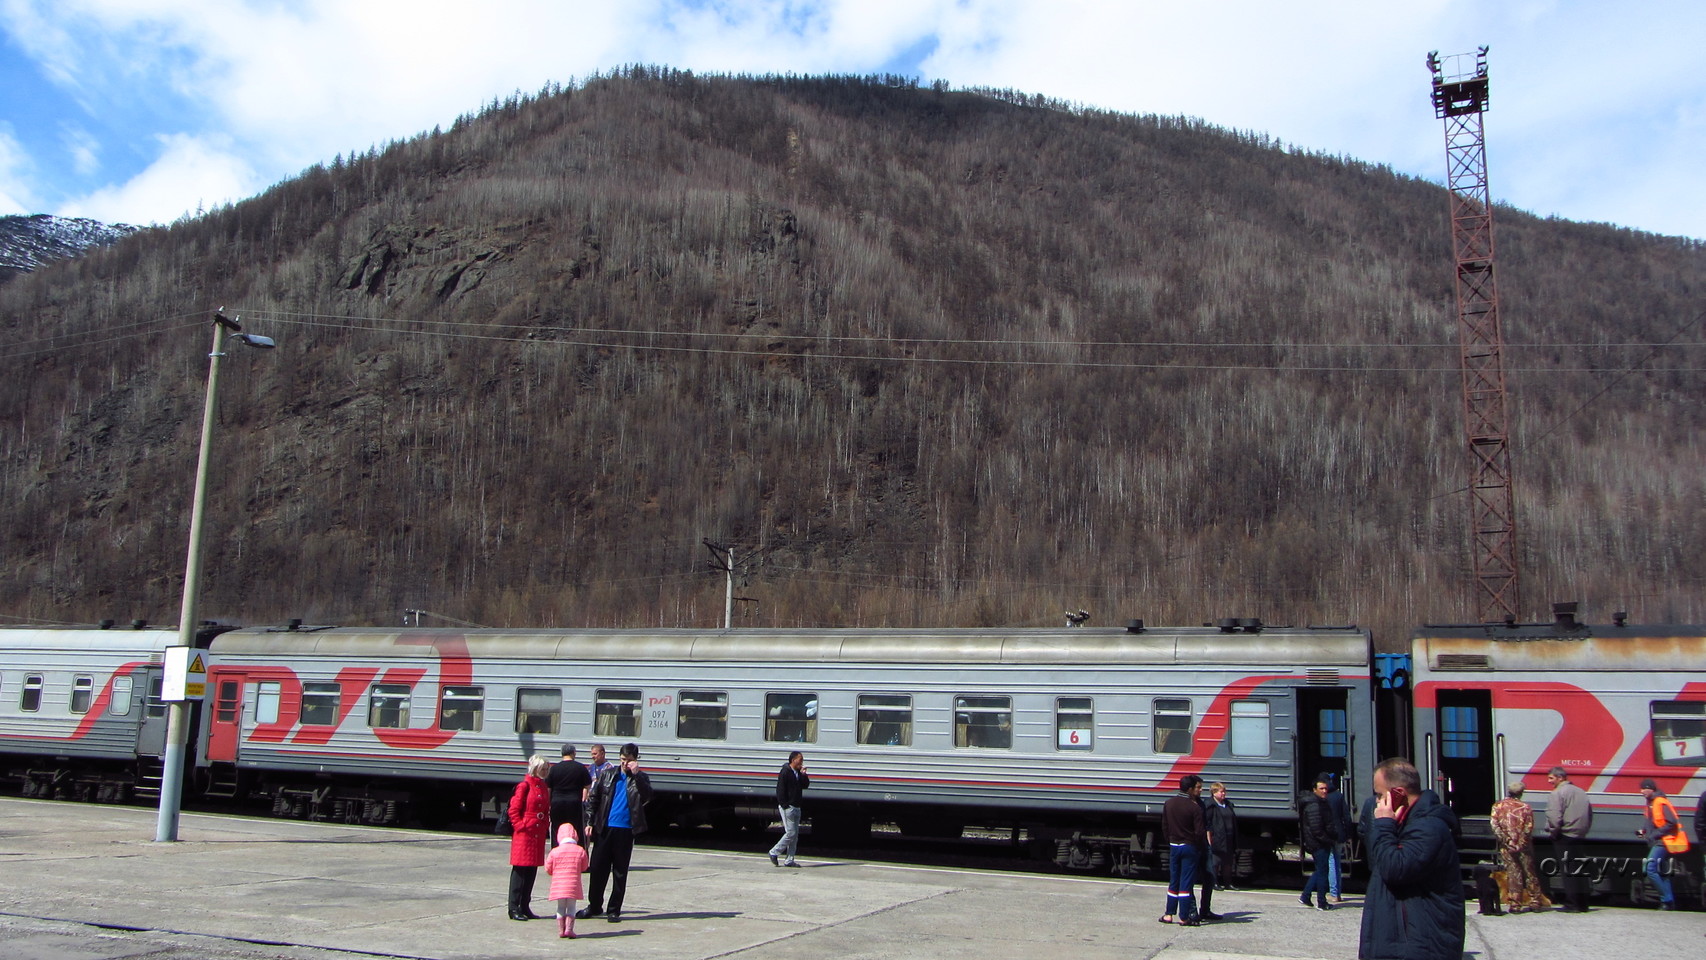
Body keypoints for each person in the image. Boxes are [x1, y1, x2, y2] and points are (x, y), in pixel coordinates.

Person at [1359, 757, 1464, 960]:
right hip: (1406, 942)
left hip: (1418, 946)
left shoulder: (1428, 828)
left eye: (1380, 795)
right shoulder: (1407, 825)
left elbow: (1394, 869)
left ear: (1398, 794)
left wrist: (1384, 825)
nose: (1377, 802)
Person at [577, 742, 654, 924]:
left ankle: (614, 910)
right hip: (605, 828)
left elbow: (648, 796)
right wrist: (589, 821)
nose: (625, 764)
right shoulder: (608, 775)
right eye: (622, 760)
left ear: (636, 760)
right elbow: (594, 799)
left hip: (626, 830)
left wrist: (637, 776)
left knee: (620, 872)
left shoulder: (640, 778)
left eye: (629, 760)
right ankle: (594, 906)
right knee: (597, 869)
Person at [1490, 781, 1551, 913]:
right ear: (1521, 793)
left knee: (1513, 873)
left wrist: (1507, 841)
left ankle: (1515, 904)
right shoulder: (1525, 807)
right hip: (1524, 847)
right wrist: (1521, 843)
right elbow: (1528, 828)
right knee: (1529, 872)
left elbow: (1495, 826)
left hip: (1507, 846)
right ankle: (1535, 901)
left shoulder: (1497, 806)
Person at [505, 755, 551, 921]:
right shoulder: (524, 786)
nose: (546, 771)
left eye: (547, 769)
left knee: (531, 871)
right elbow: (513, 810)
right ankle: (513, 907)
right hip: (524, 834)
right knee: (520, 871)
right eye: (543, 769)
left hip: (537, 834)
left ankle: (525, 906)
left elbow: (546, 809)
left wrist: (545, 823)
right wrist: (521, 826)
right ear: (535, 768)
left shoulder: (543, 786)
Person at [1544, 766, 1593, 912]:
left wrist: (1553, 832)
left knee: (1568, 871)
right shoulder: (1581, 792)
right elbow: (1589, 814)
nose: (1549, 781)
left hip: (1564, 835)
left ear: (1560, 778)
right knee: (1579, 869)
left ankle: (1572, 904)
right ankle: (1583, 903)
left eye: (1551, 778)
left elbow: (1554, 817)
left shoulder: (1557, 793)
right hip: (1579, 835)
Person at [1159, 774, 1205, 926]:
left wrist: (1170, 840)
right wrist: (1198, 846)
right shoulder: (1194, 807)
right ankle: (1184, 917)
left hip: (1174, 845)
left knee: (1174, 880)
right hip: (1189, 846)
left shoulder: (1169, 803)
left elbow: (1165, 826)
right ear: (1190, 789)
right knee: (1185, 883)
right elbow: (1199, 832)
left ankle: (1168, 914)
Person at [1637, 778, 1690, 910]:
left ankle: (1666, 899)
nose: (1641, 791)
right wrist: (1643, 832)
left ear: (1651, 789)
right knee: (1662, 872)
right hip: (1659, 840)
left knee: (1649, 869)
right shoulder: (1651, 803)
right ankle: (1669, 902)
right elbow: (1651, 822)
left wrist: (1655, 834)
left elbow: (1671, 822)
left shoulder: (1660, 802)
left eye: (1644, 788)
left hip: (1663, 841)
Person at [1198, 781, 1238, 920]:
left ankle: (1228, 882)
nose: (1224, 794)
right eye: (1221, 792)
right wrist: (1209, 840)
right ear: (1214, 793)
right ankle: (1215, 882)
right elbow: (1207, 824)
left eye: (1224, 791)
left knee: (1228, 860)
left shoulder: (1228, 804)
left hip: (1228, 836)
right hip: (1217, 836)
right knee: (1216, 861)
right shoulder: (1210, 805)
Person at [544, 822, 589, 938]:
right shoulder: (580, 850)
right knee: (571, 907)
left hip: (558, 885)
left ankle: (561, 930)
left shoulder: (555, 851)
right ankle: (569, 929)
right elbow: (584, 867)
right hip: (573, 885)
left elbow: (548, 868)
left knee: (560, 907)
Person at [767, 750, 809, 867]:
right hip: (788, 807)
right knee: (791, 833)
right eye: (800, 759)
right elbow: (780, 790)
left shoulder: (798, 773)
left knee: (795, 836)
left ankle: (789, 859)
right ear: (793, 760)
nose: (802, 762)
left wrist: (804, 775)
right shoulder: (785, 772)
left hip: (797, 806)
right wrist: (785, 805)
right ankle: (774, 852)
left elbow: (805, 785)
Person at [1298, 778, 1335, 911]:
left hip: (1318, 842)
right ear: (1315, 790)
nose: (1325, 791)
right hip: (1319, 843)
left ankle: (1306, 896)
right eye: (1321, 788)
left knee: (1320, 870)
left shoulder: (1318, 802)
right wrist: (1328, 840)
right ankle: (1321, 902)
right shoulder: (1314, 805)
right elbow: (1316, 829)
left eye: (1326, 788)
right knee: (1322, 872)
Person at [546, 744, 591, 848]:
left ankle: (556, 851)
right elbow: (587, 785)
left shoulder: (553, 769)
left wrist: (548, 804)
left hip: (557, 802)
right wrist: (583, 797)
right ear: (573, 753)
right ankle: (577, 852)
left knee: (556, 829)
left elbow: (548, 789)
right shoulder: (580, 768)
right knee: (576, 829)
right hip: (574, 802)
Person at [1324, 772, 1352, 903]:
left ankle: (1334, 893)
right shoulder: (1338, 796)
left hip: (1328, 834)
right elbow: (1346, 816)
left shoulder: (1322, 797)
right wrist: (1348, 834)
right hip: (1339, 833)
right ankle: (1338, 893)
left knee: (1331, 862)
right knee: (1337, 862)